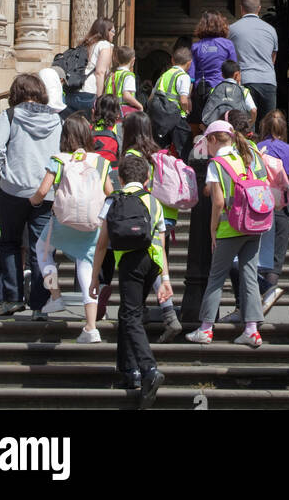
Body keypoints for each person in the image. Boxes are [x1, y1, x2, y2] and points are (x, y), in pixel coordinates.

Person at [90, 151, 172, 407]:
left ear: (120, 178)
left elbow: (102, 244)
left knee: (129, 315)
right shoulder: (154, 201)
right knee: (130, 310)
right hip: (151, 262)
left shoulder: (113, 199)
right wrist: (165, 278)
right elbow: (160, 240)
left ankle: (148, 368)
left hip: (129, 261)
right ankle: (129, 371)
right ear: (147, 178)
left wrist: (95, 279)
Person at [185, 119, 268, 348]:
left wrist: (213, 230)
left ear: (212, 139)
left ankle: (205, 329)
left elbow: (219, 202)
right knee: (249, 276)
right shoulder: (249, 156)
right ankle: (251, 330)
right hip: (255, 224)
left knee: (216, 278)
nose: (207, 149)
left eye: (207, 143)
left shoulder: (217, 164)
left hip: (230, 228)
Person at [31, 114, 113, 341]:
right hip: (91, 225)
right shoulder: (100, 161)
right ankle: (90, 327)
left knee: (42, 251)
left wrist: (33, 201)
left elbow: (42, 190)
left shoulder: (59, 159)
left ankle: (55, 294)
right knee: (87, 269)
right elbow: (110, 193)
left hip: (62, 222)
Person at [0, 73, 62, 319]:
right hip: (45, 190)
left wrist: (0, 178)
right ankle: (41, 306)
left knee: (9, 243)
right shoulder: (57, 119)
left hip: (14, 189)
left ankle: (12, 299)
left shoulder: (10, 115)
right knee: (42, 249)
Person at [120, 113, 183, 342]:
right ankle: (164, 313)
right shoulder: (157, 153)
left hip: (142, 216)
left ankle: (163, 313)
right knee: (156, 264)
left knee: (143, 266)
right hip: (165, 214)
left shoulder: (131, 156)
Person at [256, 109, 289, 311]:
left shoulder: (257, 148)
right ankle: (269, 295)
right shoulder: (286, 149)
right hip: (281, 205)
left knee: (259, 252)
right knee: (276, 255)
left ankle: (257, 296)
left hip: (260, 204)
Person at [228, 0, 278, 125]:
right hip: (267, 81)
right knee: (268, 126)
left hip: (244, 81)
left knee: (244, 126)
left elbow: (228, 58)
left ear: (241, 8)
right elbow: (273, 59)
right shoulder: (270, 30)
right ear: (259, 9)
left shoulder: (232, 29)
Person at [188, 11, 237, 109]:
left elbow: (191, 76)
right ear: (221, 25)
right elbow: (234, 71)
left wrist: (188, 97)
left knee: (202, 122)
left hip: (202, 92)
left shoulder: (196, 47)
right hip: (223, 92)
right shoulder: (228, 45)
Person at [67, 17, 115, 114]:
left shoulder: (85, 44)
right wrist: (99, 98)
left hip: (72, 92)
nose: (114, 34)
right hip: (89, 92)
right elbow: (100, 72)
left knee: (75, 127)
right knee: (88, 127)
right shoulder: (104, 45)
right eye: (113, 31)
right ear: (106, 31)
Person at [104, 46, 142, 113]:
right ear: (133, 60)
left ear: (116, 59)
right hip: (122, 111)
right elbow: (126, 96)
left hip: (109, 109)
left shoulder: (111, 75)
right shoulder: (128, 76)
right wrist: (139, 106)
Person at [90, 95, 122, 174]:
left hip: (91, 171)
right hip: (113, 174)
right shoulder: (119, 129)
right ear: (117, 114)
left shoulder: (88, 129)